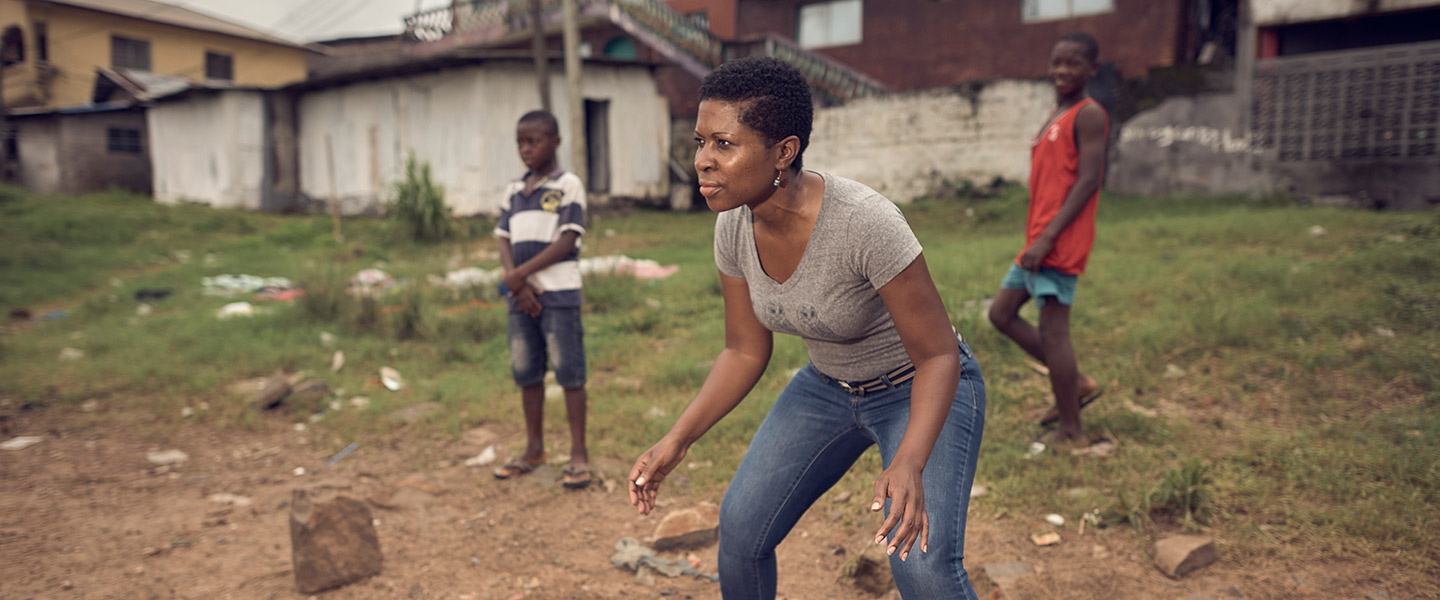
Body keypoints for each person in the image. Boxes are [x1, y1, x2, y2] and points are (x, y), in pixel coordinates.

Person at [627, 57, 986, 599]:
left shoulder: (865, 223)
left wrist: (909, 461)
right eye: (700, 142)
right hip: (826, 388)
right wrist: (677, 439)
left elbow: (938, 356)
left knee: (921, 566)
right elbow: (745, 350)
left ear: (783, 152)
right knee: (742, 530)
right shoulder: (733, 227)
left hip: (923, 386)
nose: (702, 161)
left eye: (723, 144)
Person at [988, 31, 1110, 445]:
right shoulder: (1056, 114)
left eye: (1073, 63)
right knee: (1001, 314)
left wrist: (1049, 238)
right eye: (1057, 62)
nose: (1061, 70)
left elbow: (1090, 180)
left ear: (1092, 68)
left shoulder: (1089, 114)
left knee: (1054, 331)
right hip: (1037, 241)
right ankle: (1074, 384)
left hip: (1056, 243)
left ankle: (1072, 429)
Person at [492, 110, 592, 489]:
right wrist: (517, 284)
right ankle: (534, 449)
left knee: (569, 372)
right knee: (526, 372)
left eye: (533, 141)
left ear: (555, 142)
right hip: (521, 298)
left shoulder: (568, 185)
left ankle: (579, 454)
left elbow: (568, 239)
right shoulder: (514, 190)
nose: (525, 149)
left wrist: (519, 275)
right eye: (520, 142)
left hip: (559, 293)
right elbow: (503, 237)